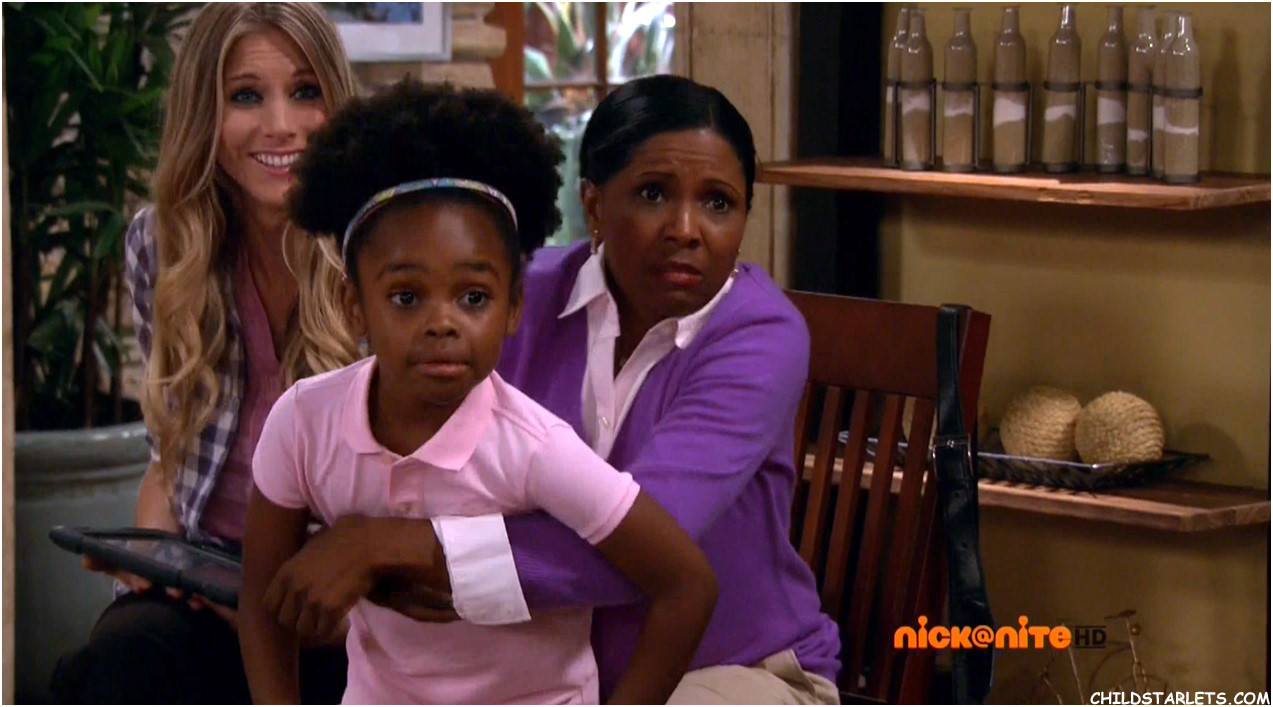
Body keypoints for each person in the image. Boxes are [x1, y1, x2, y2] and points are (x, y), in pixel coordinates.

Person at [261, 74, 844, 704]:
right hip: (546, 676)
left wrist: (404, 547)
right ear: (592, 204)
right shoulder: (508, 296)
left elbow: (655, 544)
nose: (686, 228)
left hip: (734, 667)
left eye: (719, 203)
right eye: (652, 193)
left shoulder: (760, 335)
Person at [50, 3, 359, 703]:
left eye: (305, 91)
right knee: (119, 661)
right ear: (204, 115)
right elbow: (171, 456)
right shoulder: (162, 245)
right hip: (209, 581)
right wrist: (155, 559)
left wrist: (329, 606)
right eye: (245, 96)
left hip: (338, 601)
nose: (280, 124)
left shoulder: (379, 250)